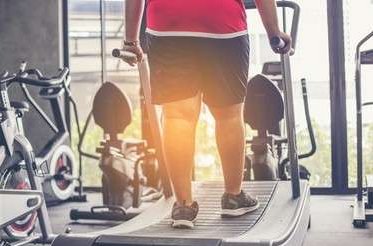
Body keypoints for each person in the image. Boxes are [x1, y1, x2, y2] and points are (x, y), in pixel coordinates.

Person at [120, 0, 291, 228]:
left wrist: (131, 41)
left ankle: (183, 205)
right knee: (229, 115)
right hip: (222, 23)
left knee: (177, 116)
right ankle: (233, 197)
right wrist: (273, 32)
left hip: (167, 23)